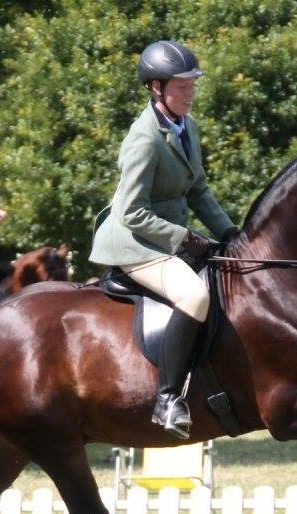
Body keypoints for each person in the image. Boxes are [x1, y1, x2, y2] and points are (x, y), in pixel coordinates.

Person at [90, 40, 239, 439]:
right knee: (195, 296)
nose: (190, 92)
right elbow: (132, 213)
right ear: (157, 88)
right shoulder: (143, 139)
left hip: (165, 237)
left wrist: (230, 233)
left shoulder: (186, 125)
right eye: (182, 86)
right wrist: (186, 238)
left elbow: (199, 190)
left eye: (192, 84)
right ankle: (168, 399)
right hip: (135, 242)